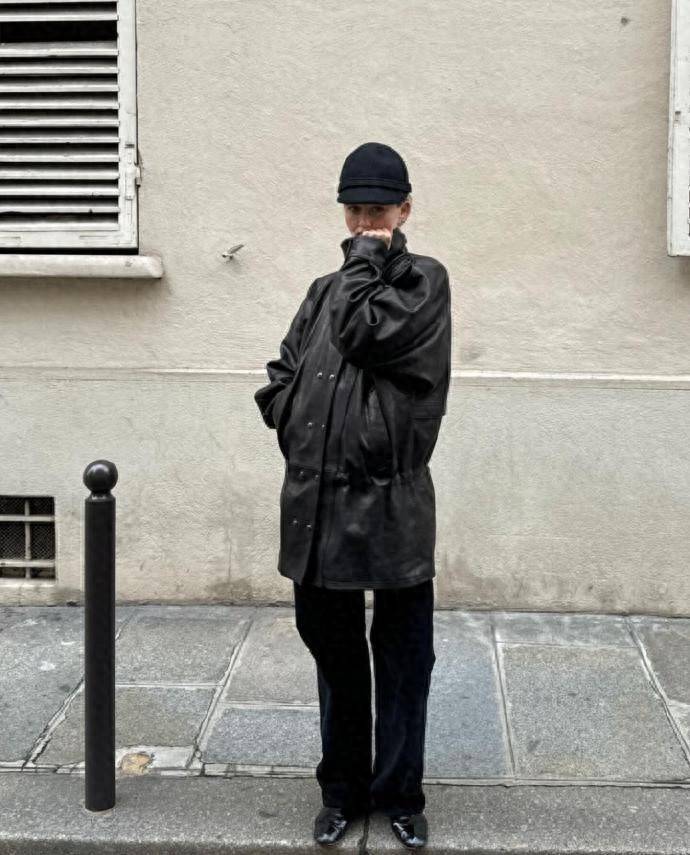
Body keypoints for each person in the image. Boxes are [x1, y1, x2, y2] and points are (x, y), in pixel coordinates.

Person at [254, 142, 451, 849]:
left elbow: (364, 333)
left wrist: (366, 256)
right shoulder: (321, 289)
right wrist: (288, 415)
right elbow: (283, 367)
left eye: (379, 210)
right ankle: (342, 791)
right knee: (335, 659)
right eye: (356, 210)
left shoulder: (424, 283)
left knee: (403, 659)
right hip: (316, 503)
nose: (366, 223)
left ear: (406, 209)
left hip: (391, 503)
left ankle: (400, 794)